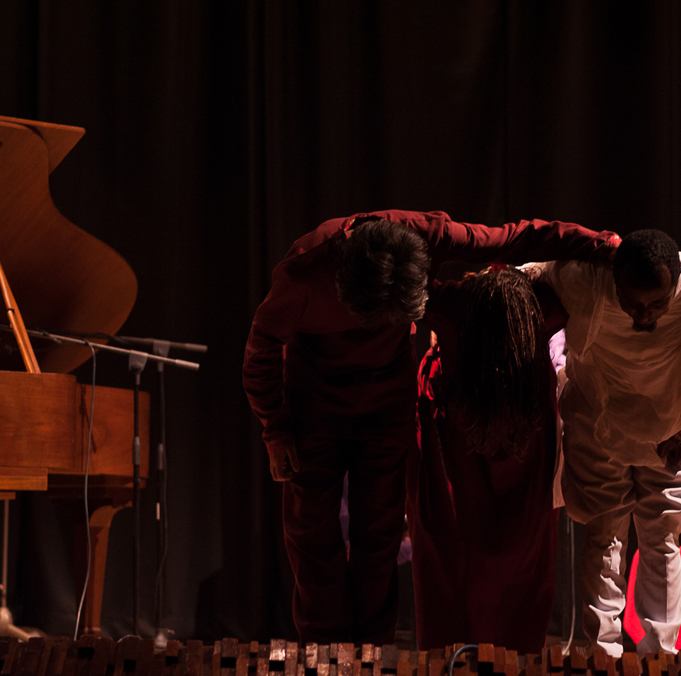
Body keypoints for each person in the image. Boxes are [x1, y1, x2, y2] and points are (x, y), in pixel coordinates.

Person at [243, 210, 619, 644]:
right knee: (313, 540)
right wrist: (275, 429)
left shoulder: (427, 236)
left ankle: (370, 656)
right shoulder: (306, 273)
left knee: (379, 537)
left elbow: (516, 238)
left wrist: (603, 243)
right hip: (315, 411)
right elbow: (260, 353)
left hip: (385, 407)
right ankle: (324, 659)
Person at [523, 229, 681, 656]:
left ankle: (659, 653)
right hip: (598, 421)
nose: (643, 315)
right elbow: (527, 273)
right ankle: (601, 654)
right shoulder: (586, 280)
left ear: (675, 283)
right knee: (603, 532)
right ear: (615, 282)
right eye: (632, 303)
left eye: (656, 305)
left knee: (660, 534)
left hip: (672, 429)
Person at [407, 266, 569, 654]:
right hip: (523, 473)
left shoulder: (452, 319)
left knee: (449, 576)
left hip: (455, 484)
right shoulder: (540, 317)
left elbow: (418, 279)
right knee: (520, 579)